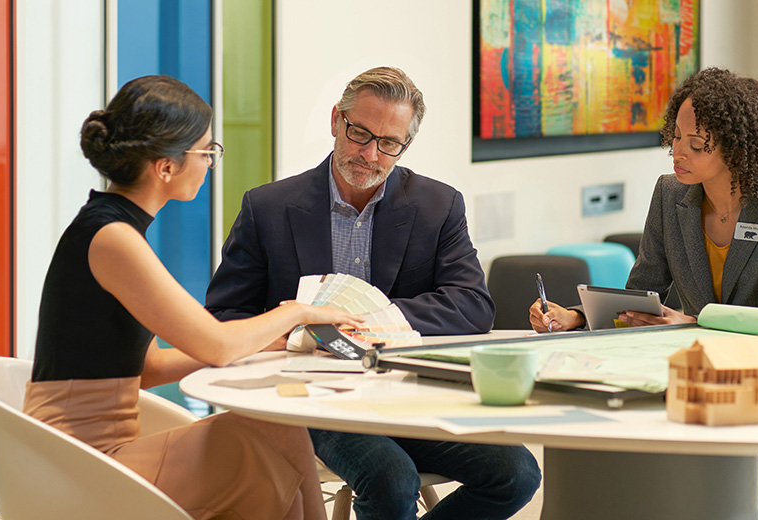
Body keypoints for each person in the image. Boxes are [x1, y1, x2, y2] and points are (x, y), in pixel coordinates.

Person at [206, 67, 540, 520]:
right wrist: (297, 332)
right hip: (312, 398)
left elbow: (473, 305)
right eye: (359, 133)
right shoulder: (267, 207)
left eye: (389, 143)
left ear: (405, 145)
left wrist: (377, 320)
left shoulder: (438, 205)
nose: (370, 154)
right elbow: (224, 317)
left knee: (517, 472)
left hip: (406, 392)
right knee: (390, 479)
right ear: (335, 121)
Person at [28, 75, 353, 520]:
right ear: (165, 167)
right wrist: (295, 311)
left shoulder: (113, 228)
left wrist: (266, 342)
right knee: (270, 450)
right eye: (206, 152)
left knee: (279, 433)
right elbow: (215, 345)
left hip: (103, 447)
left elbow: (148, 367)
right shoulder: (113, 238)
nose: (210, 163)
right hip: (79, 461)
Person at [527, 67, 758, 519]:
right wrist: (577, 316)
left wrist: (693, 322)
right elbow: (643, 291)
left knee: (732, 508)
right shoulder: (671, 195)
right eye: (676, 136)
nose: (677, 151)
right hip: (691, 379)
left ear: (739, 149)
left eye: (696, 144)